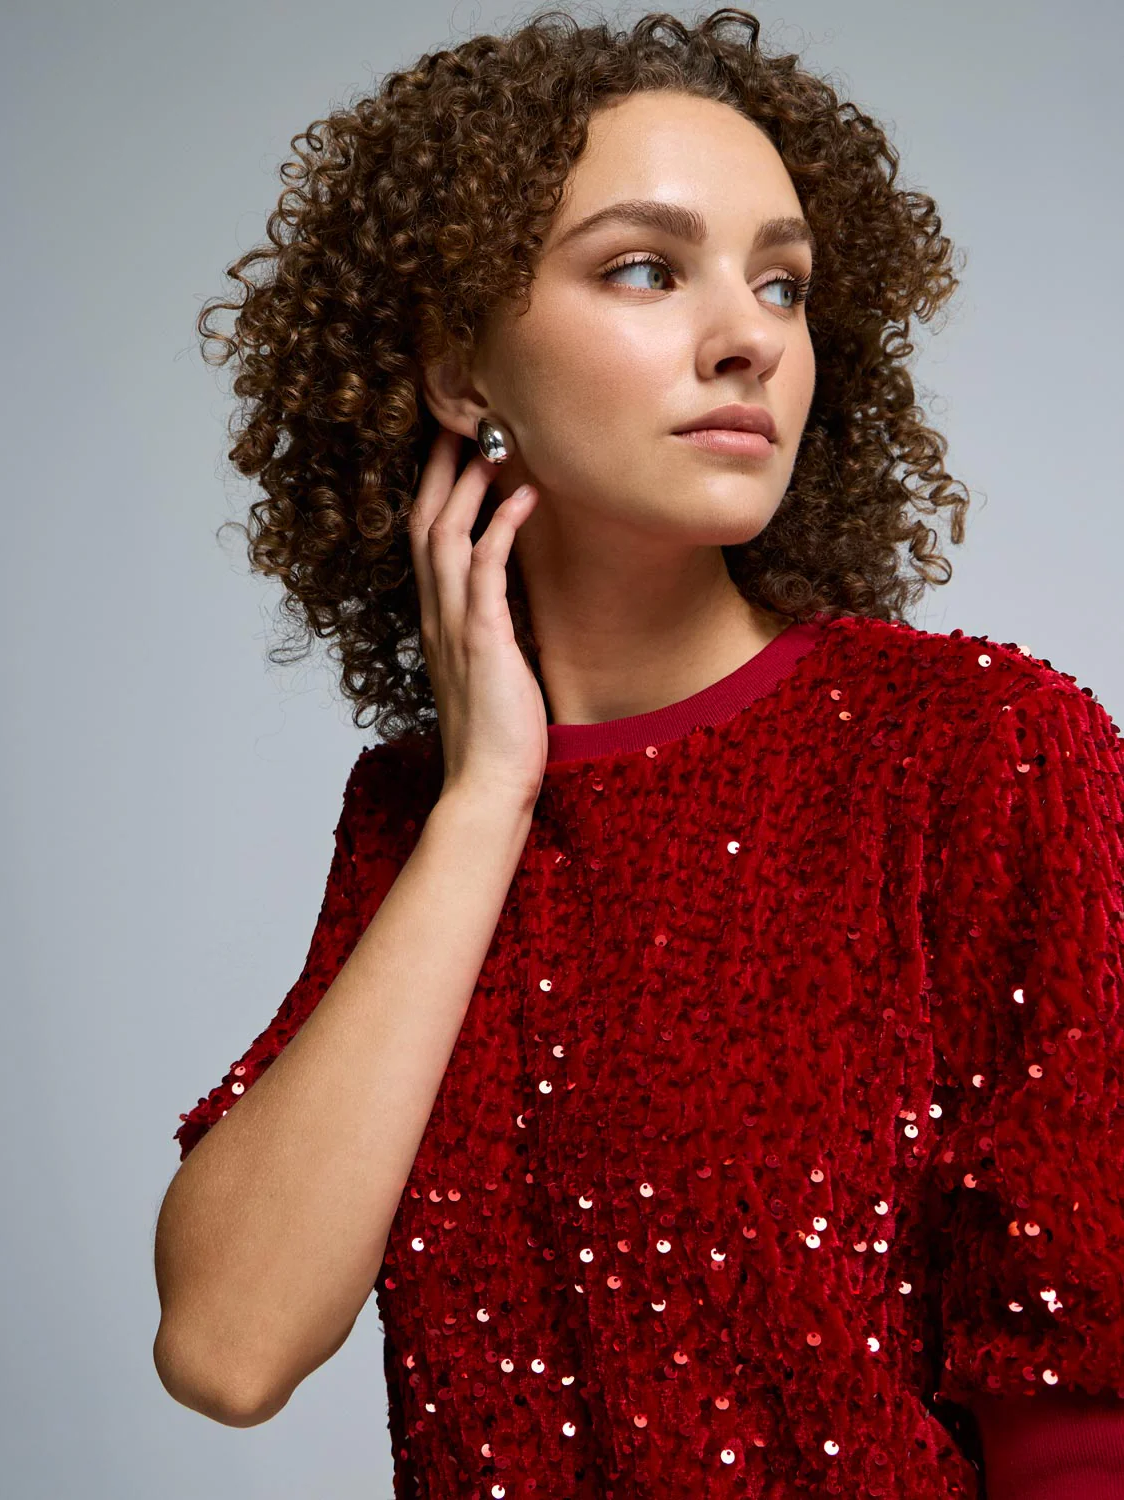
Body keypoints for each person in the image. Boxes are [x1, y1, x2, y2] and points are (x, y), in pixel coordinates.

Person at [152, 8, 1124, 1496]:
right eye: (646, 269)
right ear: (461, 372)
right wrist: (487, 798)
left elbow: (1083, 1406)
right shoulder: (414, 817)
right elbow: (229, 1347)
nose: (750, 337)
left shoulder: (981, 749)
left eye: (783, 283)